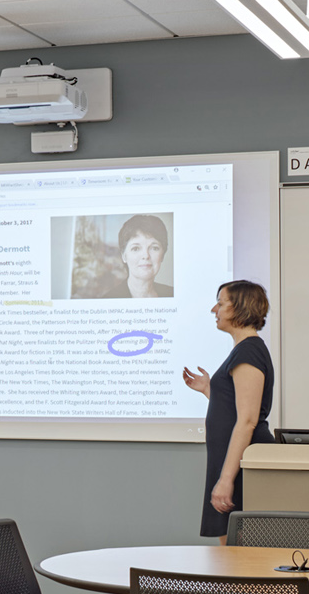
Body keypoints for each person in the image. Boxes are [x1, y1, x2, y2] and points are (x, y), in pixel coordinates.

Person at [181, 280, 274, 543]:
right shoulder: (244, 350)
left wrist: (225, 479)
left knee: (238, 557)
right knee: (230, 554)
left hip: (240, 464)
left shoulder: (249, 351)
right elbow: (236, 409)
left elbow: (247, 420)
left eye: (221, 303)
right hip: (232, 461)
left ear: (240, 308)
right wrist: (211, 391)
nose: (214, 309)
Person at [88, 214, 174, 299]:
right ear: (124, 256)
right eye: (136, 248)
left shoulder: (171, 294)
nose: (146, 256)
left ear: (162, 255)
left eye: (154, 248)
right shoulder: (108, 300)